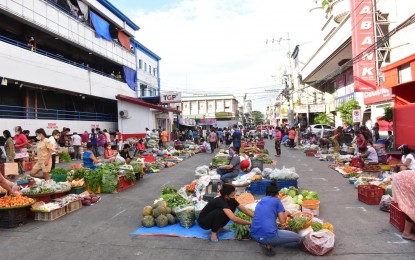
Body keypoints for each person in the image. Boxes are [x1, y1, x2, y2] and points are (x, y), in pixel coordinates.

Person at [250, 182, 301, 256]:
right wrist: (286, 213)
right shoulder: (276, 201)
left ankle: (266, 243)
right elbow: (283, 221)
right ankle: (269, 243)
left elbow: (263, 217)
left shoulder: (260, 202)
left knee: (274, 232)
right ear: (277, 194)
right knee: (298, 239)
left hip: (254, 234)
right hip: (269, 235)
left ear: (266, 194)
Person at [392, 170, 415, 241]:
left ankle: (406, 232)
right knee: (412, 206)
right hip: (405, 181)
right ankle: (406, 233)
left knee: (410, 205)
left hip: (402, 178)